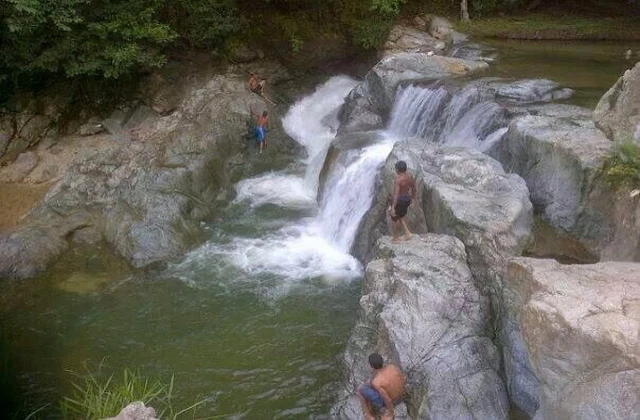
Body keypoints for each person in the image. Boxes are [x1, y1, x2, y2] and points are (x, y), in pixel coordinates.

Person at [358, 353, 405, 420]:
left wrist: (390, 412)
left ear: (371, 366)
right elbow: (402, 378)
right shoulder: (392, 367)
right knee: (372, 384)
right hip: (400, 394)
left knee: (360, 390)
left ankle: (368, 416)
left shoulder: (377, 381)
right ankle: (370, 409)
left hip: (392, 401)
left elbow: (387, 399)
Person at [389, 160, 416, 242]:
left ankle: (395, 238)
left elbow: (396, 195)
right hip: (407, 199)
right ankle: (407, 233)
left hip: (399, 200)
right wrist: (413, 198)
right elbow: (414, 188)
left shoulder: (398, 180)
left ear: (397, 170)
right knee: (401, 216)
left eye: (395, 169)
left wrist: (393, 207)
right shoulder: (410, 177)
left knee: (394, 218)